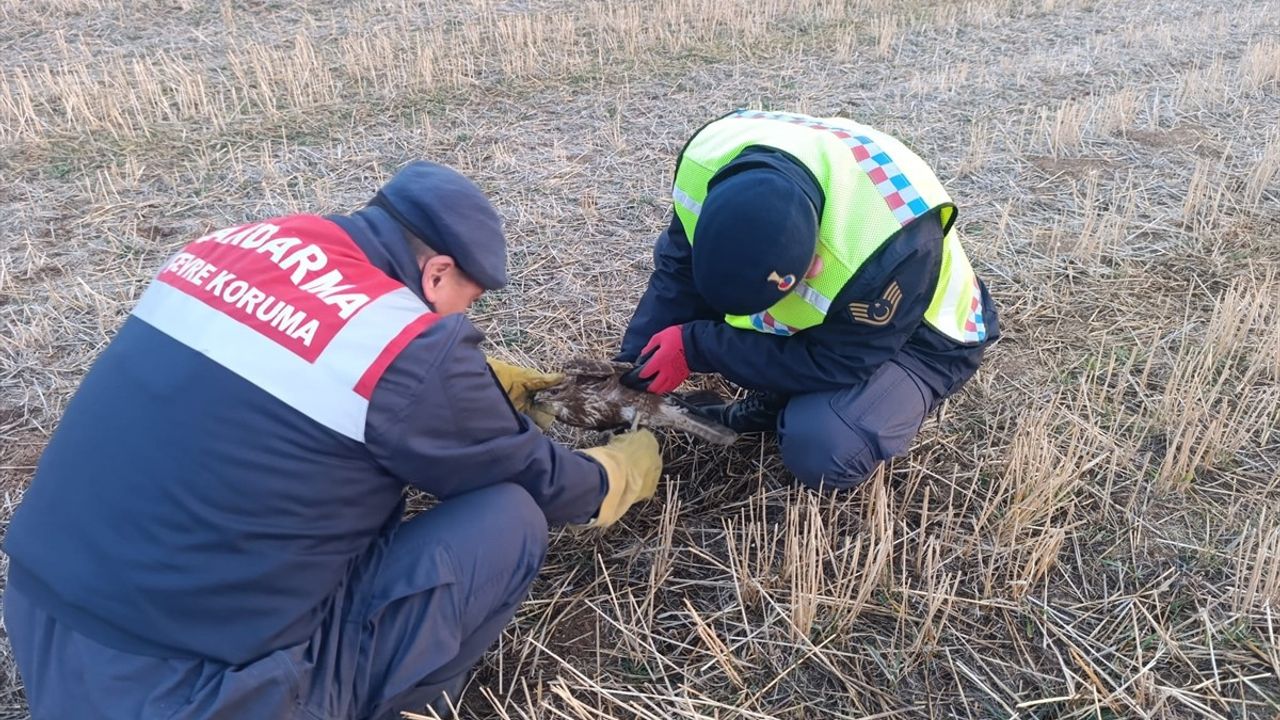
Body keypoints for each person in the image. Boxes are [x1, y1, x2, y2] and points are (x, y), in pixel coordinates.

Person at [2, 161, 662, 719]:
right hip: (194, 692)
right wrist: (616, 474)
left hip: (43, 624)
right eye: (471, 297)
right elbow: (537, 480)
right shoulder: (412, 350)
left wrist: (472, 386)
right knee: (509, 518)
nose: (471, 315)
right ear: (436, 273)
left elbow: (289, 361)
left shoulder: (225, 250)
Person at [618, 110, 1000, 490]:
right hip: (841, 310)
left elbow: (835, 359)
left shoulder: (893, 240)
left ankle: (853, 400)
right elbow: (679, 273)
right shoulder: (707, 157)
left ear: (814, 264)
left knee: (823, 445)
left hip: (924, 336)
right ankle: (783, 392)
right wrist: (630, 368)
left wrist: (697, 346)